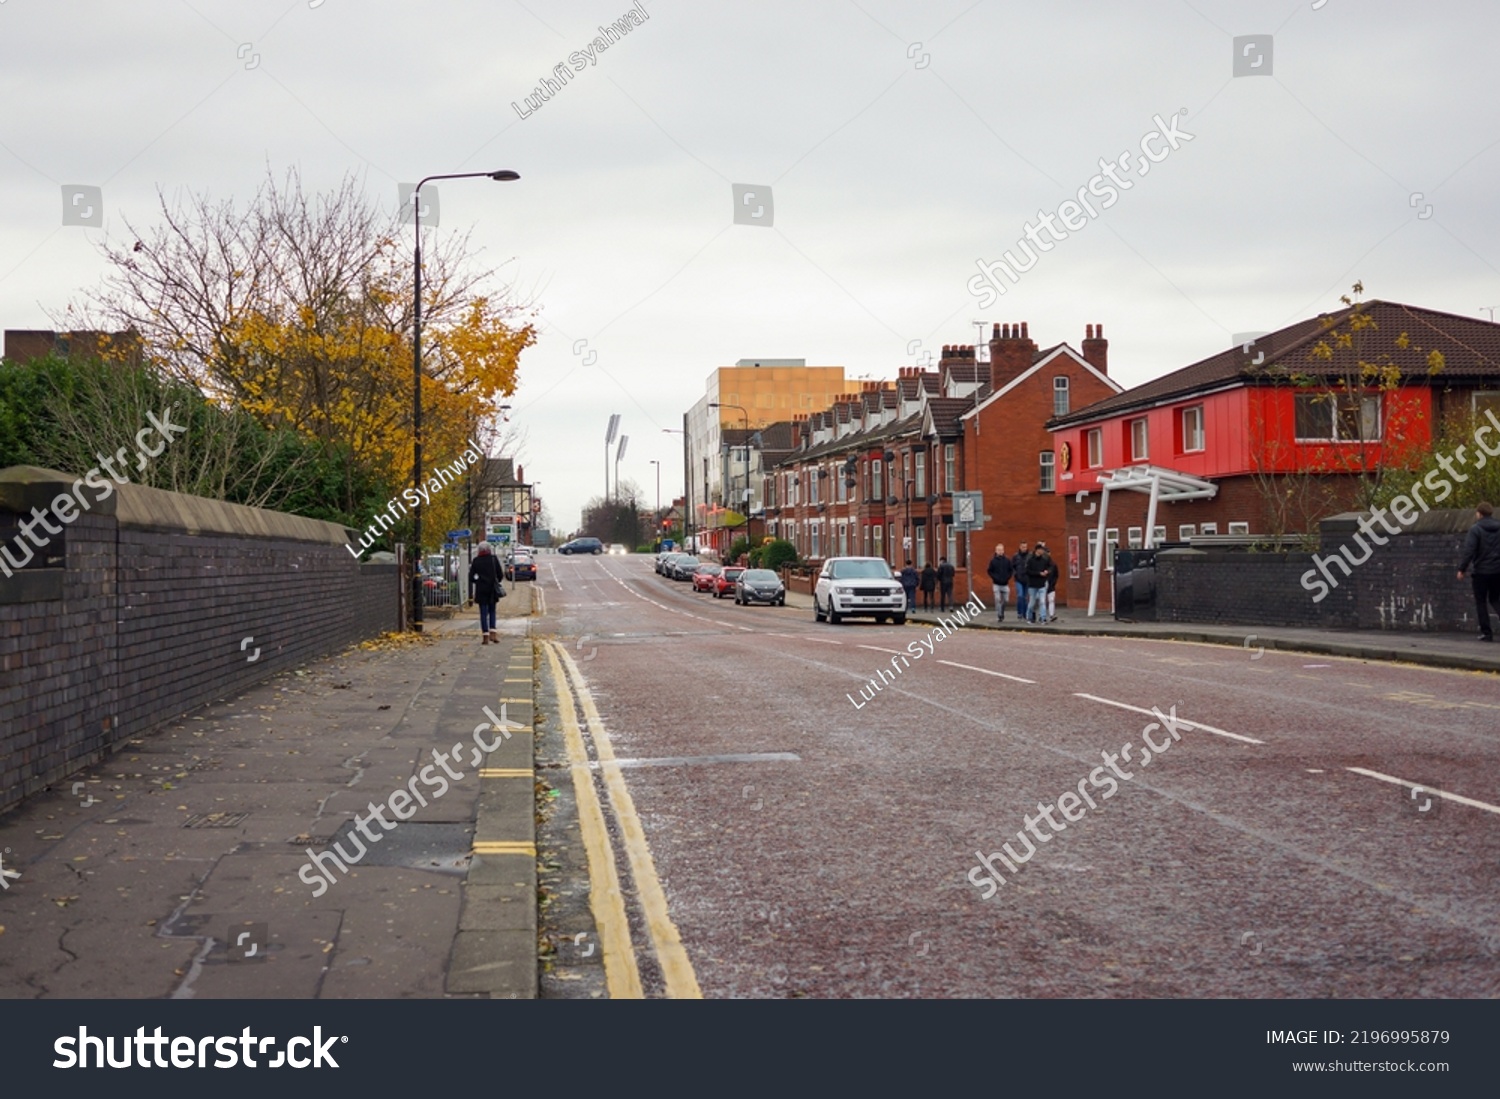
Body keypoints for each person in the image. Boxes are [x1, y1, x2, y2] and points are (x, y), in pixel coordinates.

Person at [1457, 501, 1500, 641]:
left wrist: (1461, 569)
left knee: (1481, 602)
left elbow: (1469, 551)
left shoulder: (1475, 529)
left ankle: (1487, 633)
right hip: (1497, 571)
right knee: (1496, 599)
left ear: (1479, 514)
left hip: (1481, 572)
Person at [468, 543, 505, 644]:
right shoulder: (493, 559)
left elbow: (471, 577)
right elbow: (500, 575)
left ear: (479, 550)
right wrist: (495, 581)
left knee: (483, 613)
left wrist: (478, 581)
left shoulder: (476, 561)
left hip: (481, 590)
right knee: (492, 611)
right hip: (492, 589)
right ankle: (493, 633)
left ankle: (485, 636)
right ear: (489, 549)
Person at [1025, 543, 1052, 623]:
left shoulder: (1044, 560)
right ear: (1037, 550)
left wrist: (1047, 571)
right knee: (1032, 603)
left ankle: (1043, 618)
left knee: (1042, 602)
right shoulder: (1030, 560)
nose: (1042, 551)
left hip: (1042, 584)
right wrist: (1038, 573)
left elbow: (1050, 567)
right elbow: (1028, 571)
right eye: (1041, 550)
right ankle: (1029, 617)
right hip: (1032, 584)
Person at [986, 543, 1013, 622]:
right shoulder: (993, 561)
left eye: (1001, 550)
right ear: (996, 551)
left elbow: (1011, 570)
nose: (1000, 551)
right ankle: (999, 614)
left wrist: (1007, 577)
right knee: (997, 599)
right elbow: (989, 571)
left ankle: (1002, 610)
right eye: (998, 550)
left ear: (1003, 551)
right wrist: (995, 577)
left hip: (1005, 584)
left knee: (1006, 600)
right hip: (996, 584)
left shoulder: (1007, 560)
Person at [1012, 542, 1032, 626]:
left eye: (1025, 547)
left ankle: (1025, 613)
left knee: (1026, 597)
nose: (1024, 548)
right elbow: (1012, 566)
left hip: (1027, 579)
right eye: (1023, 547)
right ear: (1020, 547)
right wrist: (1015, 574)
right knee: (1020, 596)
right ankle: (1020, 612)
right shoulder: (1016, 556)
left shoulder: (1030, 556)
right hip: (1018, 579)